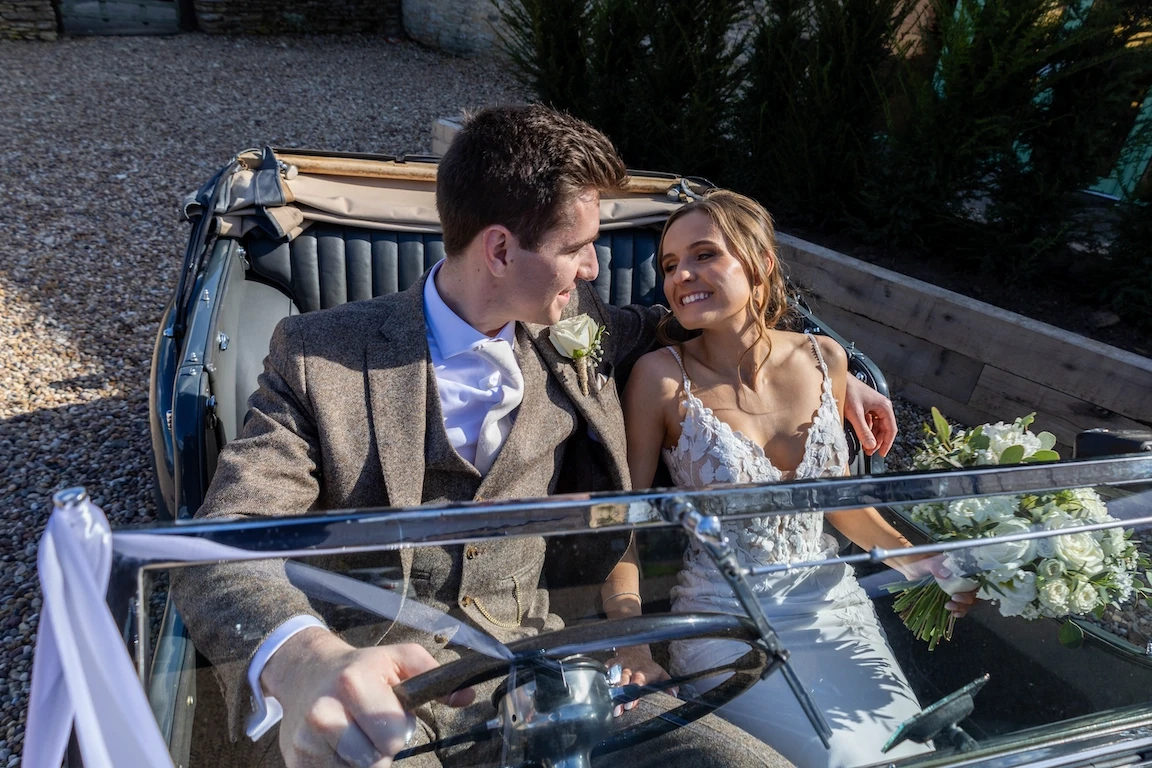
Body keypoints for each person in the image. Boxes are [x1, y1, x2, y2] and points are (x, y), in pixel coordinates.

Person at [171, 106, 898, 768]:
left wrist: (836, 372)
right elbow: (224, 544)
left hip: (550, 660)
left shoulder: (577, 327)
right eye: (580, 247)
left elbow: (695, 319)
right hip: (384, 686)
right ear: (497, 250)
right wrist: (304, 662)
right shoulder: (315, 353)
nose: (593, 268)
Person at [618, 190, 975, 768]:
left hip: (832, 606)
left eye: (705, 255)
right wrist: (632, 641)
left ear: (758, 262)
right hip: (726, 621)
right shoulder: (659, 379)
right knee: (840, 760)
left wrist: (923, 561)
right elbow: (622, 523)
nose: (682, 275)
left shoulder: (826, 358)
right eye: (669, 265)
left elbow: (840, 507)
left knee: (910, 753)